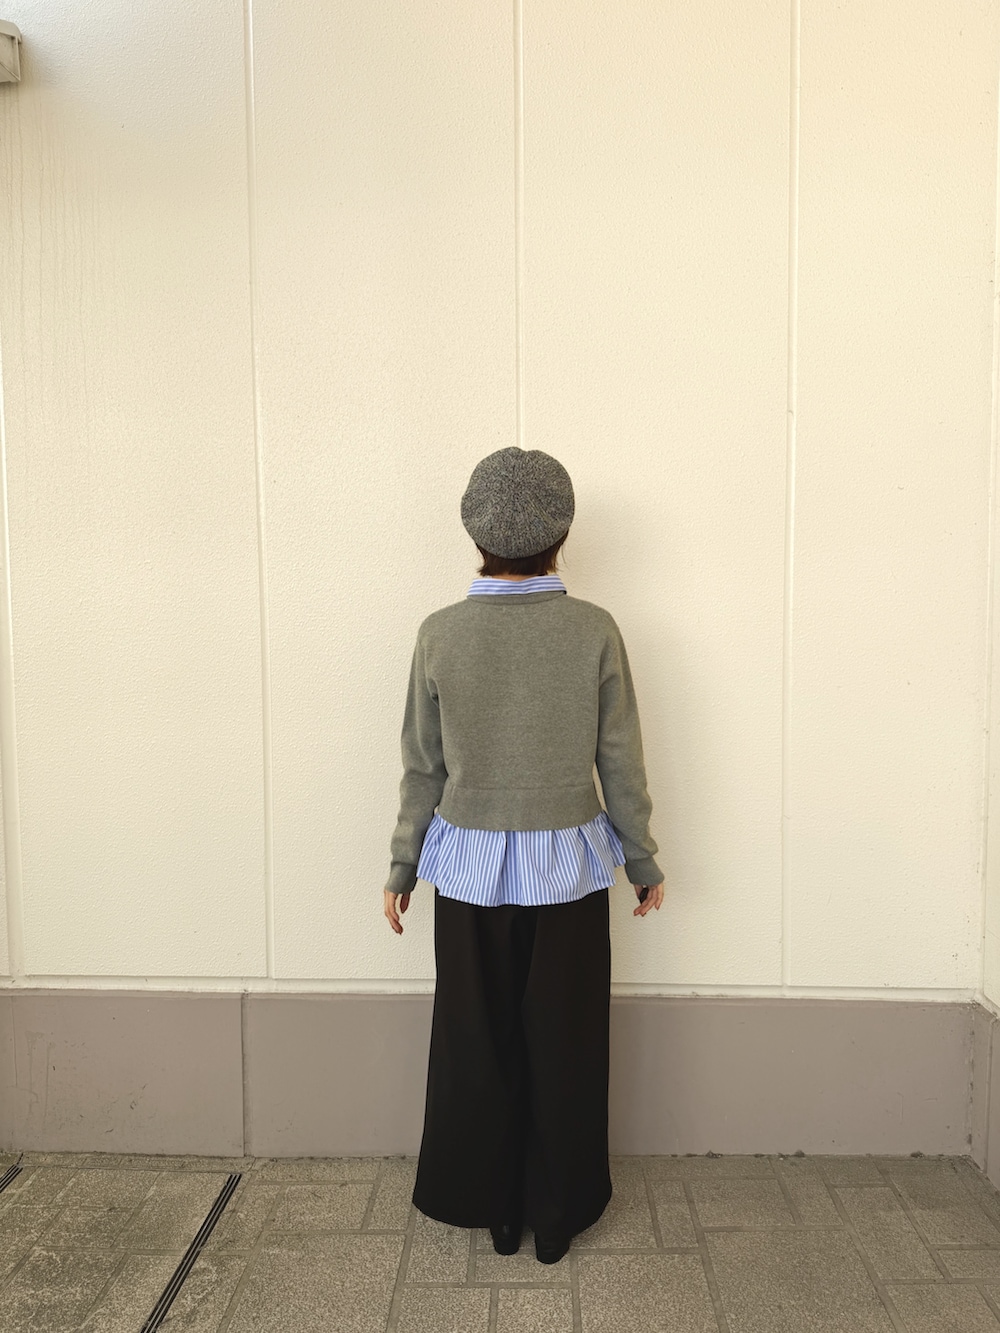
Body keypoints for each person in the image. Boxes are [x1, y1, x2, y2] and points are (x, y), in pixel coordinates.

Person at [382, 446, 665, 1266]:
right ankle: (557, 1211)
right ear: (560, 534)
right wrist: (641, 859)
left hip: (467, 873)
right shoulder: (594, 630)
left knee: (476, 1040)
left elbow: (423, 766)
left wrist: (403, 864)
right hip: (568, 871)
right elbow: (621, 759)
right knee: (566, 1040)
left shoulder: (440, 634)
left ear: (475, 534)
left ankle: (494, 1206)